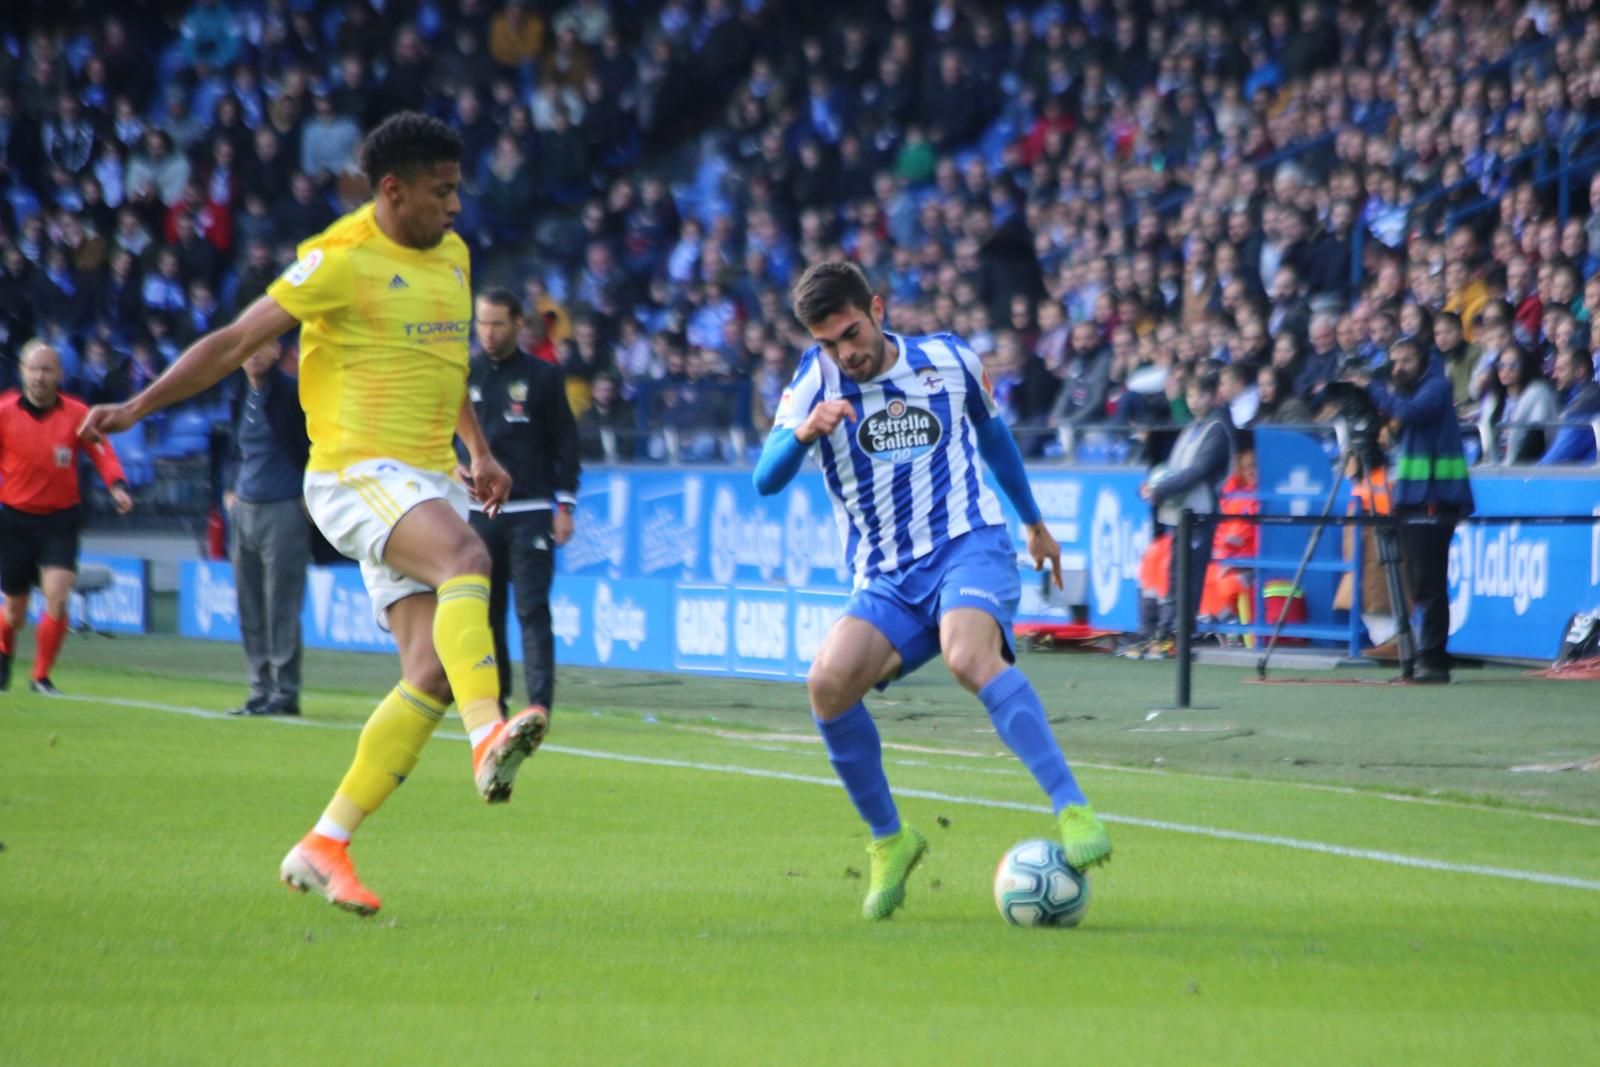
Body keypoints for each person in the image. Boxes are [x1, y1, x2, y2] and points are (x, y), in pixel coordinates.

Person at [81, 112, 542, 917]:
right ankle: (487, 735)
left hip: (427, 478)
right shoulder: (340, 259)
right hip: (355, 474)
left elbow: (443, 360)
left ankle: (325, 842)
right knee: (468, 559)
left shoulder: (456, 257)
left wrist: (477, 450)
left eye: (458, 189)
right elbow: (232, 341)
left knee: (427, 673)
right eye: (442, 192)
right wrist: (139, 407)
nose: (456, 207)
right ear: (392, 190)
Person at [753, 262, 1110, 922]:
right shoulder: (813, 383)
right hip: (886, 577)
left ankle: (1072, 807)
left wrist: (1034, 523)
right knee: (827, 683)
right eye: (829, 342)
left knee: (967, 654)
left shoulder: (948, 360)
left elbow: (994, 436)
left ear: (878, 308)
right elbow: (764, 478)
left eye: (852, 333)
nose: (845, 352)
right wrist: (802, 433)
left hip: (967, 544)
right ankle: (891, 840)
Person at [466, 287, 581, 717]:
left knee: (532, 609)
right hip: (479, 515)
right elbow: (441, 436)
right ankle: (495, 702)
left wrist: (565, 506)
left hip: (531, 511)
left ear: (518, 324)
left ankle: (539, 707)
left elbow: (566, 445)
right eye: (482, 323)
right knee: (486, 613)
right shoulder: (465, 374)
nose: (488, 333)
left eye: (497, 323)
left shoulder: (544, 377)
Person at [0, 341, 134, 694]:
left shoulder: (77, 415)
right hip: (14, 520)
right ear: (22, 371)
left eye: (47, 369)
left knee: (57, 597)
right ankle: (3, 652)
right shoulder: (4, 412)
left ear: (59, 374)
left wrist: (117, 485)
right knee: (14, 611)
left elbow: (103, 452)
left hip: (60, 520)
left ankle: (41, 676)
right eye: (34, 368)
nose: (40, 376)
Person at [1350, 338, 1475, 683]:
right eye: (1394, 361)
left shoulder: (1435, 387)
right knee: (1420, 583)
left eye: (1406, 360)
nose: (1398, 367)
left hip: (1434, 499)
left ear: (1422, 361)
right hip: (1413, 499)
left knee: (1428, 583)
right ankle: (1426, 656)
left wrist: (1371, 388)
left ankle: (1433, 660)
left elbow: (1408, 413)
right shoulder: (1410, 392)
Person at [223, 343, 311, 718]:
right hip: (245, 509)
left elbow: (315, 446)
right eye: (249, 346)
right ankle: (259, 687)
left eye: (264, 345)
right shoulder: (240, 393)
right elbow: (232, 450)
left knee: (281, 603)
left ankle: (285, 690)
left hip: (283, 509)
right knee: (249, 604)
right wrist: (229, 490)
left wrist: (311, 494)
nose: (255, 354)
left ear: (277, 350)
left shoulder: (293, 393)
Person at [1141, 372, 1234, 652]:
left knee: (1189, 575)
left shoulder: (1216, 429)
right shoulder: (1193, 427)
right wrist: (1152, 485)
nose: (1194, 400)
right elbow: (1174, 468)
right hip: (1179, 512)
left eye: (1200, 394)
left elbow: (1197, 472)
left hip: (1199, 512)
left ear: (1212, 396)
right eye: (1190, 394)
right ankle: (1167, 630)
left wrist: (1159, 491)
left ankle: (1182, 633)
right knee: (1174, 573)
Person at [1537, 349, 1600, 466]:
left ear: (1579, 371)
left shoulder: (1584, 406)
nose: (1554, 375)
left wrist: (1529, 476)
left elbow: (1556, 457)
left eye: (1560, 370)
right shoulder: (1572, 398)